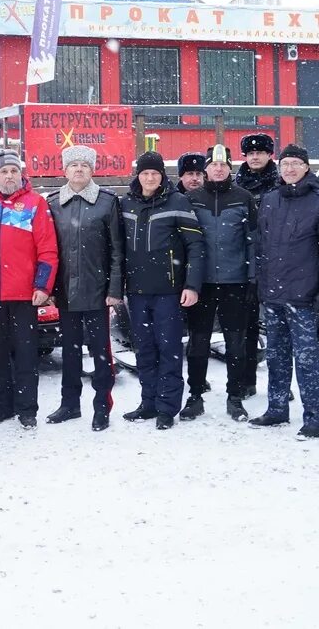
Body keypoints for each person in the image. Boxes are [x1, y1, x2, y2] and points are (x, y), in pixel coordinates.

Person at [250, 145, 319, 439]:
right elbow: (261, 246)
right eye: (285, 164)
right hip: (273, 295)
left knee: (307, 360)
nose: (289, 169)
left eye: (295, 163)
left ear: (306, 168)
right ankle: (277, 409)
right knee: (276, 357)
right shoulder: (270, 200)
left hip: (304, 296)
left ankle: (313, 416)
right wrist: (259, 283)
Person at [119, 149, 206, 429]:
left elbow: (195, 245)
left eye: (154, 173)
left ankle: (167, 407)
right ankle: (148, 403)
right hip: (136, 291)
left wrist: (192, 285)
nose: (149, 178)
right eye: (145, 173)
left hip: (169, 291)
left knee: (168, 349)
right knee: (144, 348)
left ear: (162, 176)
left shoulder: (177, 201)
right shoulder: (126, 204)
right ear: (138, 176)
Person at [0, 149, 59, 428]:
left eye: (13, 171)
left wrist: (42, 286)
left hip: (24, 296)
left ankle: (26, 409)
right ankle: (1, 406)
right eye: (3, 171)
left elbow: (48, 250)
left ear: (21, 174)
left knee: (25, 355)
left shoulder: (35, 204)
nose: (9, 176)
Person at [46, 146, 122, 431]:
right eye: (73, 165)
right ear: (64, 171)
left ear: (92, 170)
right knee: (69, 351)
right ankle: (70, 404)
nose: (78, 169)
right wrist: (51, 288)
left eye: (84, 165)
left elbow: (117, 251)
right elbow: (48, 250)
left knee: (101, 352)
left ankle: (102, 405)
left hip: (97, 293)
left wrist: (114, 289)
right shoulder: (53, 203)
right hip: (65, 292)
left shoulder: (107, 202)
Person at [184, 144, 257, 422]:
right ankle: (195, 395)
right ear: (206, 169)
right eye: (213, 165)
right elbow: (184, 242)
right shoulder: (193, 198)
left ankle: (235, 396)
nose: (218, 169)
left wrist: (252, 278)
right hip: (201, 282)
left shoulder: (244, 198)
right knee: (198, 341)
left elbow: (253, 240)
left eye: (223, 165)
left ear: (230, 168)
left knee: (236, 342)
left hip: (235, 282)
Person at [233, 133, 279, 398]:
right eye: (250, 153)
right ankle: (247, 379)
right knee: (247, 326)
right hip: (244, 263)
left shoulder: (280, 183)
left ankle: (279, 379)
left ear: (269, 155)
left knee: (277, 328)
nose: (255, 157)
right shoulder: (237, 185)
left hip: (277, 262)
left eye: (260, 152)